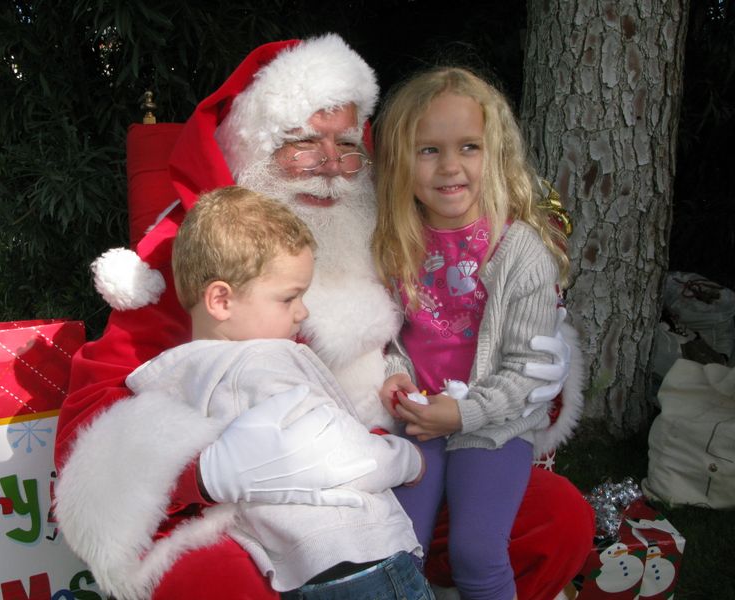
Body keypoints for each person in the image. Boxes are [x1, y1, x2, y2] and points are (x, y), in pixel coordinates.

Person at [54, 34, 594, 600]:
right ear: (251, 144)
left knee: (556, 520)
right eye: (303, 143)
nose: (332, 165)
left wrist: (542, 377)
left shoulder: (384, 237)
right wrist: (207, 470)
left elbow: (458, 342)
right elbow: (92, 421)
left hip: (389, 474)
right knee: (208, 578)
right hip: (255, 516)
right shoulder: (195, 258)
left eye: (346, 144)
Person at [125, 185, 433, 599]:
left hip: (300, 570)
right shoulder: (261, 364)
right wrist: (407, 460)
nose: (302, 312)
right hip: (359, 558)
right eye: (289, 298)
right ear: (221, 299)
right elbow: (333, 456)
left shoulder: (183, 377)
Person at [371, 66, 583, 600]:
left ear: (495, 154)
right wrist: (397, 377)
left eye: (469, 146)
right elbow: (388, 335)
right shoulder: (396, 241)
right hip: (420, 419)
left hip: (496, 425)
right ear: (400, 158)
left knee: (477, 550)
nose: (450, 167)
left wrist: (463, 413)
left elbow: (531, 371)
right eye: (428, 150)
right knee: (400, 546)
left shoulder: (522, 252)